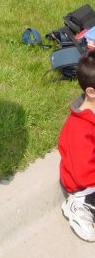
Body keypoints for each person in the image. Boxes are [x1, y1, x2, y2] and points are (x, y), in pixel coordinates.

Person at [58, 49, 95, 242]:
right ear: (91, 92)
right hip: (83, 185)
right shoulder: (80, 129)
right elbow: (83, 173)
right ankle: (77, 206)